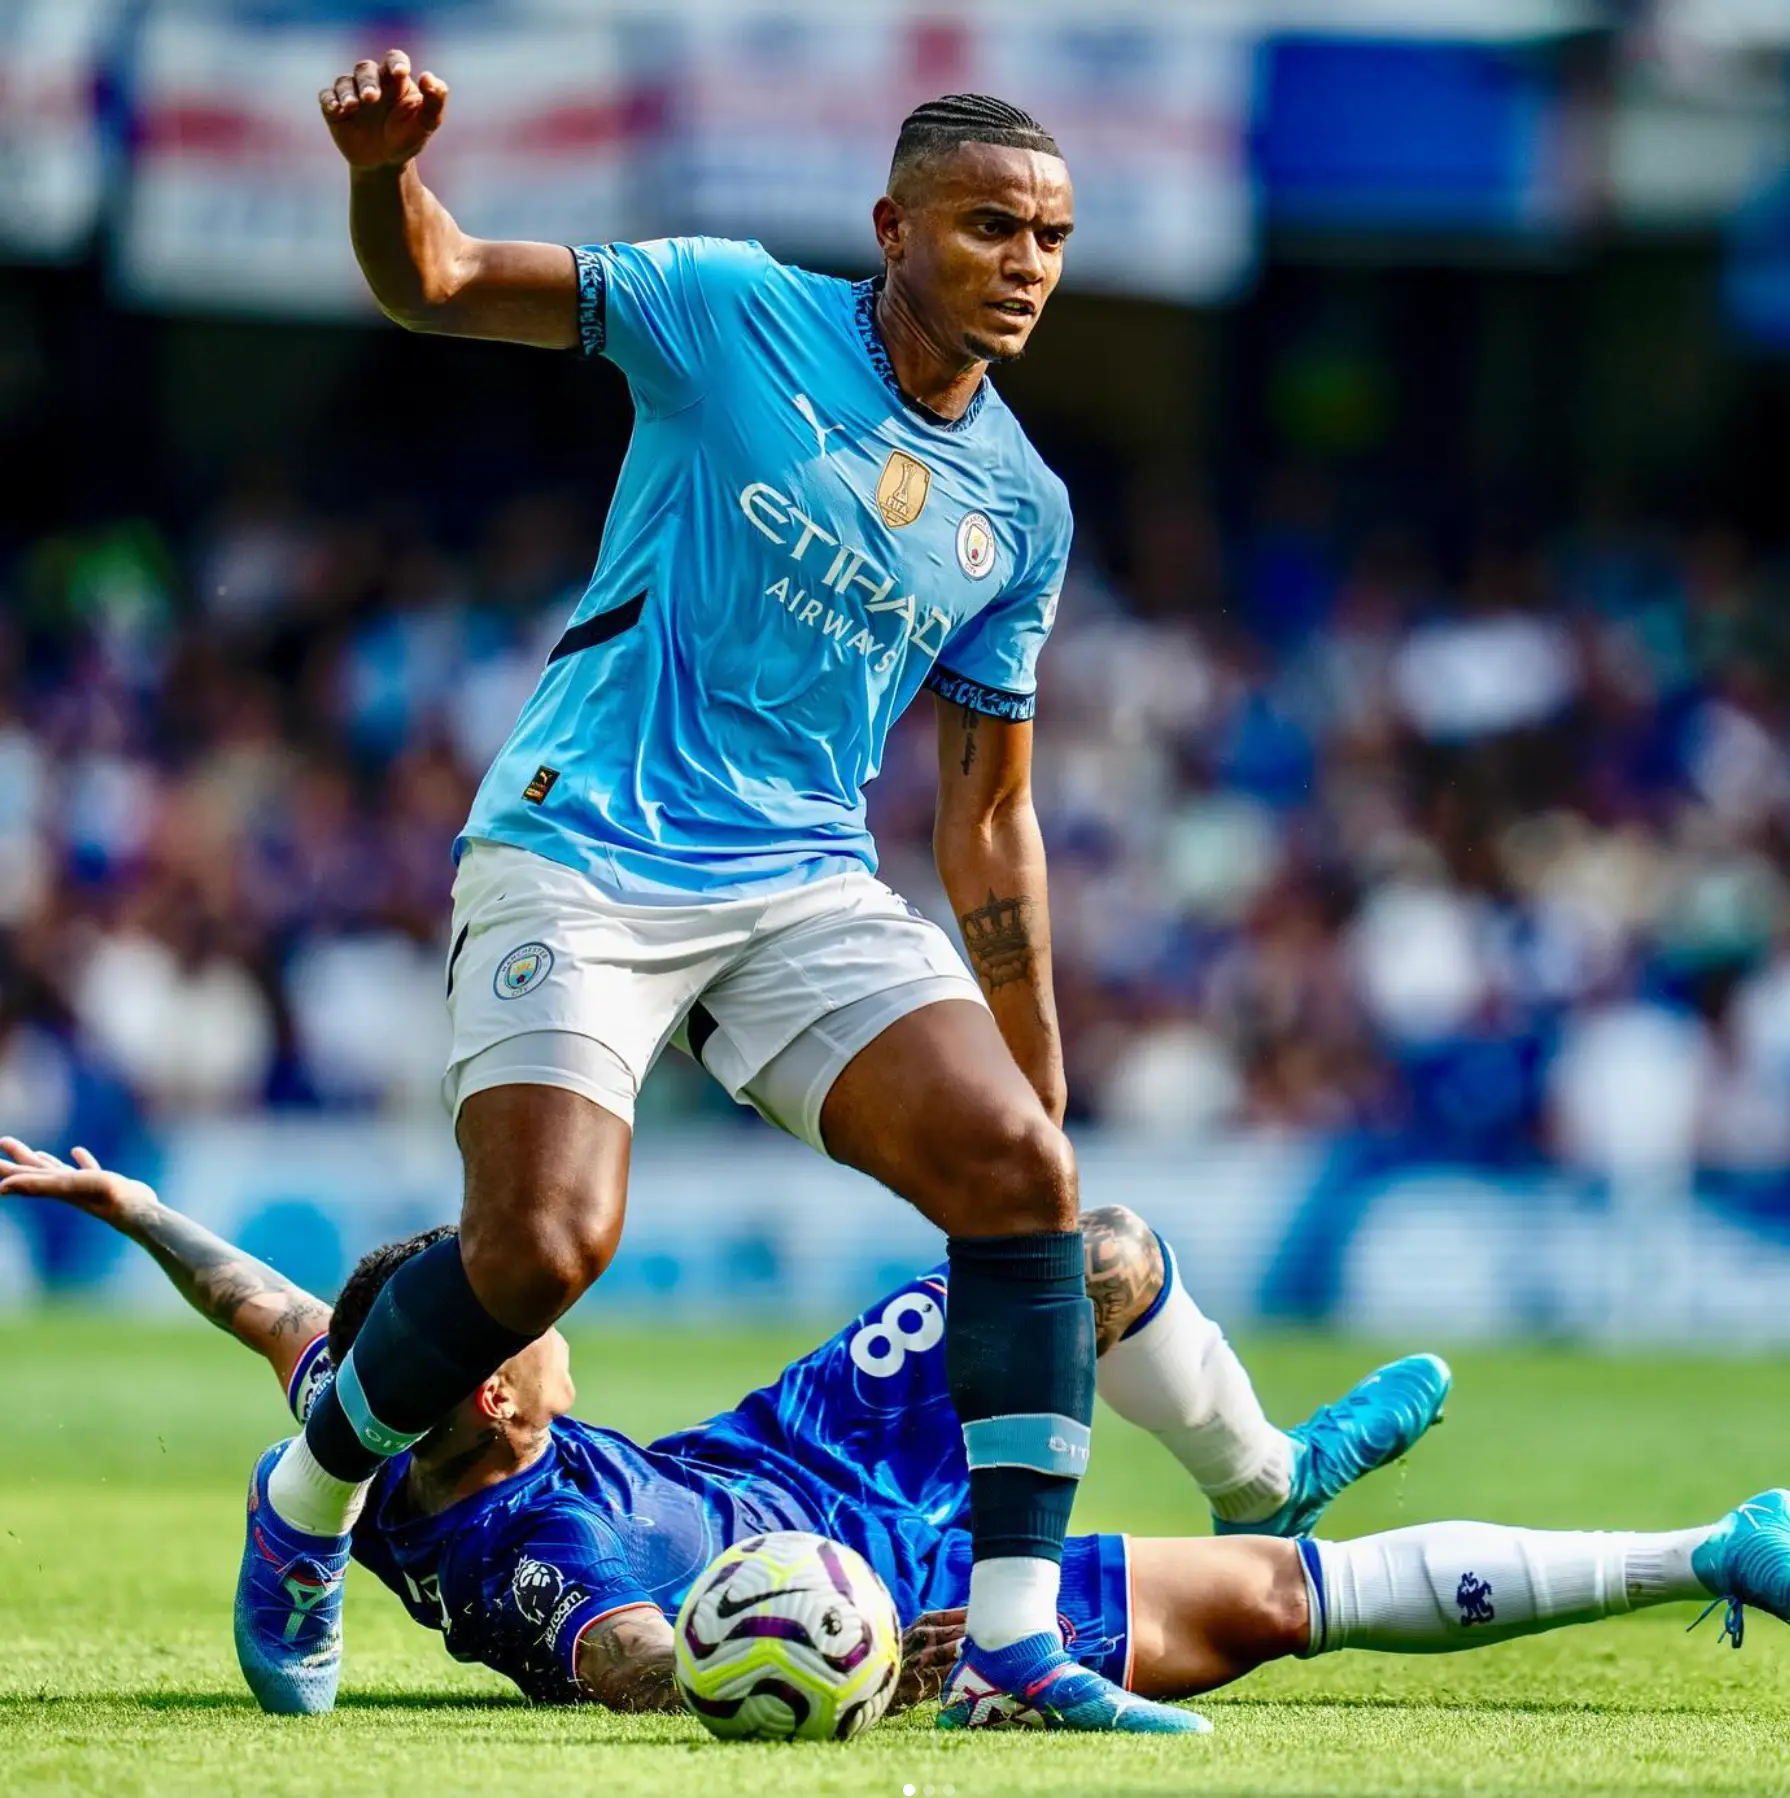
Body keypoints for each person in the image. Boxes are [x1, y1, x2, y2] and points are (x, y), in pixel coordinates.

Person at [248, 44, 1151, 1729]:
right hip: (585, 838)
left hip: (798, 876)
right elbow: (438, 282)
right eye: (986, 228)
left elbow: (985, 814)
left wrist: (1034, 1058)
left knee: (1024, 1181)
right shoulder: (724, 308)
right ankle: (303, 1505)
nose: (1024, 264)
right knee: (540, 1246)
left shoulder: (1019, 507)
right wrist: (384, 177)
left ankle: (1017, 1647)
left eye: (1049, 237)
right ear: (891, 226)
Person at [16, 1140, 1788, 1727]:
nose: (555, 1323)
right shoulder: (545, 1557)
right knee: (1265, 1602)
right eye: (532, 1325)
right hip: (882, 1586)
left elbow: (258, 1300)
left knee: (1077, 1249)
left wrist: (130, 1206)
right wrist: (882, 1675)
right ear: (496, 1386)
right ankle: (1708, 1550)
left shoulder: (371, 1415)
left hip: (783, 1441)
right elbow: (633, 1661)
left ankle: (1263, 1448)